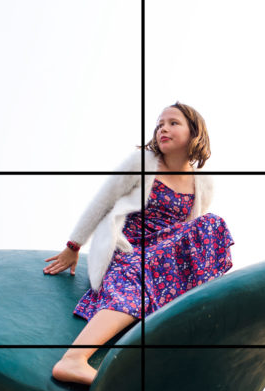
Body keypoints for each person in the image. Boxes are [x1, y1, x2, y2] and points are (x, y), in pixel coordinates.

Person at [44, 175, 142, 345]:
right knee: (205, 225)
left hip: (164, 260)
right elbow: (103, 202)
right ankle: (74, 358)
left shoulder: (200, 184)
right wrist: (74, 245)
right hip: (129, 252)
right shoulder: (142, 167)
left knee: (203, 224)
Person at [144, 174, 233, 317]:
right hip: (134, 245)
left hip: (168, 245)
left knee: (211, 222)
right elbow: (103, 208)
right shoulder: (140, 167)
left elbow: (192, 225)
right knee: (133, 283)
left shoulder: (202, 183)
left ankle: (204, 298)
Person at [144, 102, 210, 172]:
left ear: (194, 132)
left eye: (173, 123)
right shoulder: (138, 168)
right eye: (160, 125)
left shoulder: (204, 182)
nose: (163, 129)